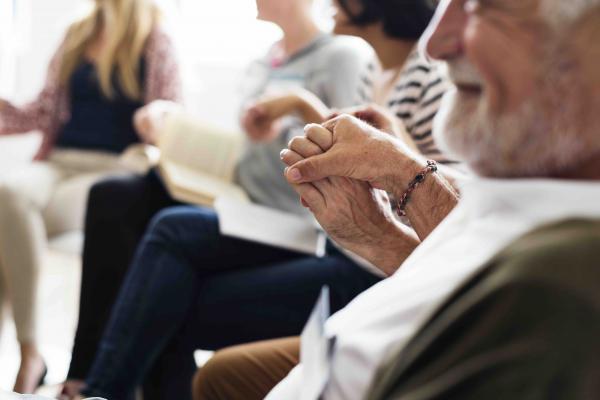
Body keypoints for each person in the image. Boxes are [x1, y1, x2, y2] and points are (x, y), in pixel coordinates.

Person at [191, 0, 600, 398]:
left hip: (346, 315)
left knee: (180, 254)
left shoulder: (563, 270)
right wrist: (376, 234)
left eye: (482, 6)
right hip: (339, 333)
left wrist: (398, 167)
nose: (433, 43)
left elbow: (489, 295)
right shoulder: (526, 176)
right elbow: (460, 273)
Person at [65, 0, 376, 399]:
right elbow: (245, 150)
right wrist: (171, 126)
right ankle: (92, 375)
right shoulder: (262, 63)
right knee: (118, 197)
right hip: (243, 199)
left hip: (295, 220)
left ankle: (104, 389)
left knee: (170, 238)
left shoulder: (342, 55)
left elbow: (355, 148)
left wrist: (296, 107)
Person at [0, 0, 181, 393]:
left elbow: (173, 113)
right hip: (60, 159)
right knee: (8, 194)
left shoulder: (156, 37)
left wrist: (158, 117)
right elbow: (43, 109)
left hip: (113, 170)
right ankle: (30, 348)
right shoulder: (76, 33)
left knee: (8, 229)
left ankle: (54, 362)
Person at [248, 0, 455, 164]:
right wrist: (298, 103)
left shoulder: (433, 77)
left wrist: (299, 103)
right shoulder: (373, 68)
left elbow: (441, 193)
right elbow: (359, 146)